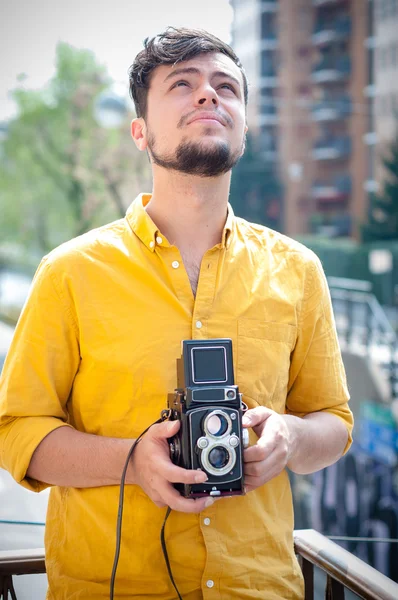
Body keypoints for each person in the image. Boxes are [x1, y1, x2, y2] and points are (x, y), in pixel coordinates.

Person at [0, 27, 353, 600]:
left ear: (244, 123)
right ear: (140, 132)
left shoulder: (299, 270)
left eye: (225, 87)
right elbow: (17, 432)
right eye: (182, 85)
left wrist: (287, 436)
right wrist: (133, 462)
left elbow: (333, 423)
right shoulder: (69, 272)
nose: (209, 96)